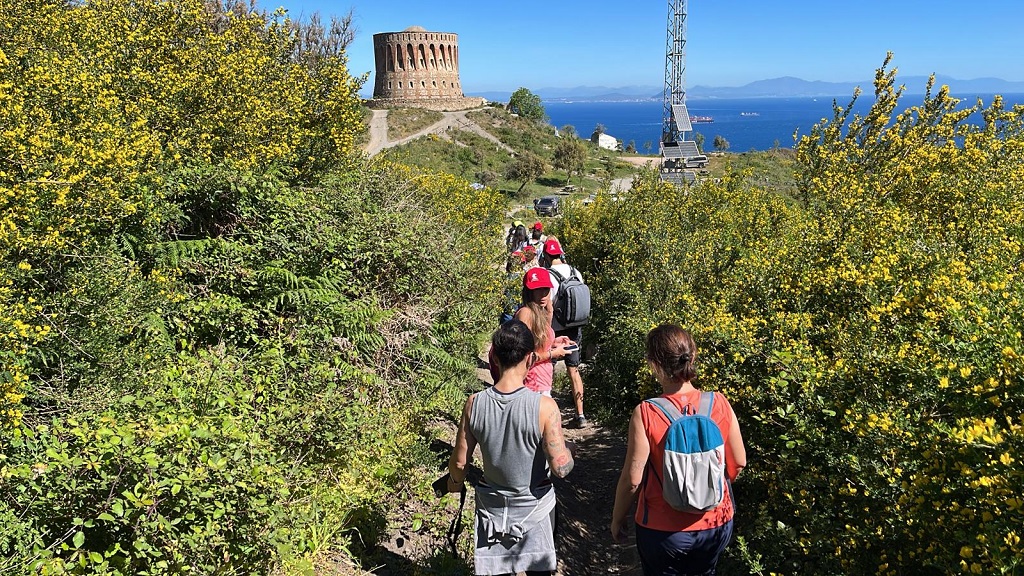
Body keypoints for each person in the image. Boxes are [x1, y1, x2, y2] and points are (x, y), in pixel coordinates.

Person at [610, 324, 746, 575]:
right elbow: (738, 463)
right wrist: (705, 490)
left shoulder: (646, 412)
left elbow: (632, 479)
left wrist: (618, 518)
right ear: (692, 356)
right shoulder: (720, 403)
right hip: (716, 523)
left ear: (654, 365)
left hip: (662, 531)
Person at [448, 319, 576, 576]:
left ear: (493, 356)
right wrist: (569, 451)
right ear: (530, 359)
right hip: (535, 511)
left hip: (492, 511)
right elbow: (561, 468)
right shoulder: (544, 407)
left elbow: (460, 463)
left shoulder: (474, 404)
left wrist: (453, 484)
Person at [540, 237, 588, 427]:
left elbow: (546, 305)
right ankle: (581, 415)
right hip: (575, 327)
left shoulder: (548, 275)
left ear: (545, 255)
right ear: (560, 253)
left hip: (556, 329)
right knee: (574, 370)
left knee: (547, 369)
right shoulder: (576, 272)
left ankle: (547, 415)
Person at [515, 267, 575, 396]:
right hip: (530, 383)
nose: (543, 294)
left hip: (541, 383)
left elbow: (539, 345)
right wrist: (553, 353)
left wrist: (553, 342)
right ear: (529, 292)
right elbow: (525, 357)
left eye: (546, 289)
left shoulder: (539, 313)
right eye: (537, 289)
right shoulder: (526, 313)